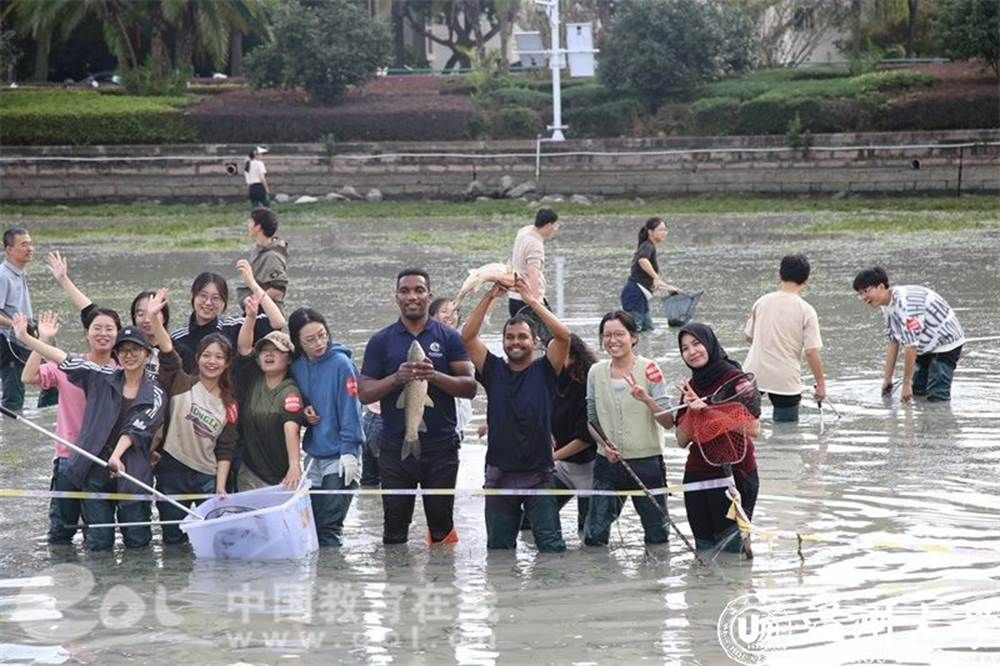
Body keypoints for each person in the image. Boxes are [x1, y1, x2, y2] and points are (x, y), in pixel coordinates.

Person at [13, 315, 165, 551]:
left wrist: (116, 456)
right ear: (116, 354)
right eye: (123, 350)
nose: (129, 355)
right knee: (98, 542)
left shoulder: (155, 393)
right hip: (93, 469)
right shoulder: (100, 376)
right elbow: (62, 358)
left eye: (135, 349)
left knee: (138, 542)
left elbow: (136, 428)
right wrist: (27, 338)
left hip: (133, 473)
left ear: (146, 353)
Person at [358, 269, 477, 546]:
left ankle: (443, 571)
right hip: (394, 447)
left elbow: (469, 387)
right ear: (396, 297)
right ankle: (396, 573)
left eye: (419, 290)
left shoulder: (449, 337)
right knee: (394, 531)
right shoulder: (381, 341)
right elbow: (364, 393)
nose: (412, 296)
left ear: (429, 296)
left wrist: (434, 376)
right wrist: (396, 378)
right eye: (405, 291)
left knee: (442, 528)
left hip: (441, 448)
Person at [462, 275, 570, 553]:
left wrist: (531, 300)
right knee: (499, 552)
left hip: (540, 473)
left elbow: (563, 336)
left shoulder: (546, 369)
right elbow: (468, 337)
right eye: (509, 337)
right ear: (503, 342)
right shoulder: (493, 369)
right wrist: (490, 296)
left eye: (522, 337)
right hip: (500, 474)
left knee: (551, 550)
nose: (515, 342)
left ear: (535, 342)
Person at [144, 289, 240, 546]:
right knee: (173, 541)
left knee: (212, 540)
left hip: (207, 477)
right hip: (172, 470)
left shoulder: (229, 404)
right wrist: (154, 318)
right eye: (206, 355)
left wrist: (221, 487)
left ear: (227, 363)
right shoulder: (181, 381)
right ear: (197, 358)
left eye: (219, 357)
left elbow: (226, 448)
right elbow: (167, 351)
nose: (212, 362)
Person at [21, 308, 121, 545]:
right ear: (87, 333)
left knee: (100, 537)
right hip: (68, 457)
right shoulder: (68, 365)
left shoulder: (122, 372)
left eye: (109, 329)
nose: (103, 334)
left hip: (101, 461)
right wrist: (43, 341)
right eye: (97, 328)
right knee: (61, 531)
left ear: (118, 334)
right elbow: (28, 376)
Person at [584, 311, 674, 547]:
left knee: (657, 536)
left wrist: (646, 399)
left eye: (619, 334)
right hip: (607, 463)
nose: (612, 340)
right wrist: (604, 445)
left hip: (647, 463)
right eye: (607, 335)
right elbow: (591, 419)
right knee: (595, 536)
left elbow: (668, 421)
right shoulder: (595, 372)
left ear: (633, 337)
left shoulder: (650, 369)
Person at [675, 323, 760, 556]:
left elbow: (753, 428)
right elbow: (681, 440)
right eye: (684, 348)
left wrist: (709, 410)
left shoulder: (737, 380)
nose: (692, 352)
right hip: (697, 474)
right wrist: (691, 411)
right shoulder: (690, 387)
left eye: (696, 344)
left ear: (709, 343)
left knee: (732, 553)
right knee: (703, 550)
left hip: (735, 474)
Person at [289, 307, 365, 547]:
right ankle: (317, 570)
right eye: (310, 340)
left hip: (341, 455)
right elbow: (297, 401)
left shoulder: (342, 364)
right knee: (310, 527)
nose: (319, 343)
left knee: (329, 529)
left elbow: (352, 408)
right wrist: (304, 411)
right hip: (314, 456)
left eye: (322, 335)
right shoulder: (297, 366)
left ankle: (332, 570)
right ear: (298, 343)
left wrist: (350, 452)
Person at [45, 251, 170, 377]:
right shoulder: (122, 343)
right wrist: (64, 280)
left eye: (153, 314)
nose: (147, 319)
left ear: (164, 316)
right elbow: (90, 310)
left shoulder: (174, 347)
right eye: (140, 314)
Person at [853, 266, 965, 402]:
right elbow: (893, 341)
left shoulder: (906, 305)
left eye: (866, 291)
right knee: (917, 390)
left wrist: (906, 384)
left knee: (937, 395)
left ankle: (940, 414)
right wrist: (887, 380)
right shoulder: (886, 305)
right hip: (926, 344)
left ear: (881, 286)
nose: (864, 297)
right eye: (860, 293)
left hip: (946, 342)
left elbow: (911, 346)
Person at [744, 254, 826, 422]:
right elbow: (811, 352)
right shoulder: (807, 310)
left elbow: (749, 337)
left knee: (746, 426)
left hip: (753, 374)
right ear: (807, 279)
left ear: (779, 275)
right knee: (786, 431)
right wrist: (821, 384)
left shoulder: (761, 302)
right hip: (785, 380)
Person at [234, 296, 304, 491]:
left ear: (289, 359)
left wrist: (294, 466)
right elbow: (244, 348)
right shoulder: (252, 378)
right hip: (249, 470)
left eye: (277, 350)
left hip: (280, 476)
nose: (269, 354)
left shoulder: (290, 392)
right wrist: (251, 317)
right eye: (264, 350)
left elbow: (292, 428)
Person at [170, 262, 285, 373]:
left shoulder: (233, 326)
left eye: (215, 298)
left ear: (224, 302)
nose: (208, 303)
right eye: (203, 296)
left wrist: (252, 284)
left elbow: (277, 323)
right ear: (193, 296)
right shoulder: (178, 338)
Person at [0, 227, 57, 410]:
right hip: (9, 341)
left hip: (26, 337)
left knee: (53, 377)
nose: (30, 248)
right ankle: (11, 427)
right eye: (24, 244)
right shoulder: (3, 276)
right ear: (9, 249)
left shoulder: (20, 272)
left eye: (31, 244)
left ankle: (45, 419)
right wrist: (14, 324)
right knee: (13, 399)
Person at [551, 333, 598, 532]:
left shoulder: (588, 384)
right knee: (530, 518)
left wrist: (551, 457)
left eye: (557, 353)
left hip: (590, 468)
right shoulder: (552, 381)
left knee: (587, 533)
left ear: (573, 356)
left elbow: (585, 438)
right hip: (563, 468)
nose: (551, 359)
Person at [619, 217, 679, 332]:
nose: (664, 233)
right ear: (650, 232)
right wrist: (656, 277)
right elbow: (642, 260)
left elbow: (651, 281)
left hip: (641, 297)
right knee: (634, 331)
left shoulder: (649, 246)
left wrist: (670, 288)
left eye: (665, 230)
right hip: (634, 295)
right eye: (661, 229)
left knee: (648, 330)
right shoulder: (648, 245)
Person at [430, 297, 472, 439]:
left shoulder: (462, 338)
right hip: (435, 422)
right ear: (431, 316)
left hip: (458, 424)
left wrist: (492, 296)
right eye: (444, 311)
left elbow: (481, 319)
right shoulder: (425, 341)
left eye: (454, 312)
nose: (450, 316)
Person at [507, 208, 559, 318]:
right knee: (550, 327)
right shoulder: (535, 244)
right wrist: (536, 303)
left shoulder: (524, 231)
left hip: (514, 297)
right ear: (548, 225)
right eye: (555, 226)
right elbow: (533, 272)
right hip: (526, 300)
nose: (555, 230)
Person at [235, 208, 289, 307]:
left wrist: (254, 302)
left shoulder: (272, 256)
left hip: (266, 312)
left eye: (251, 222)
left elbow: (278, 290)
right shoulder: (258, 249)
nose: (248, 225)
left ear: (258, 227)